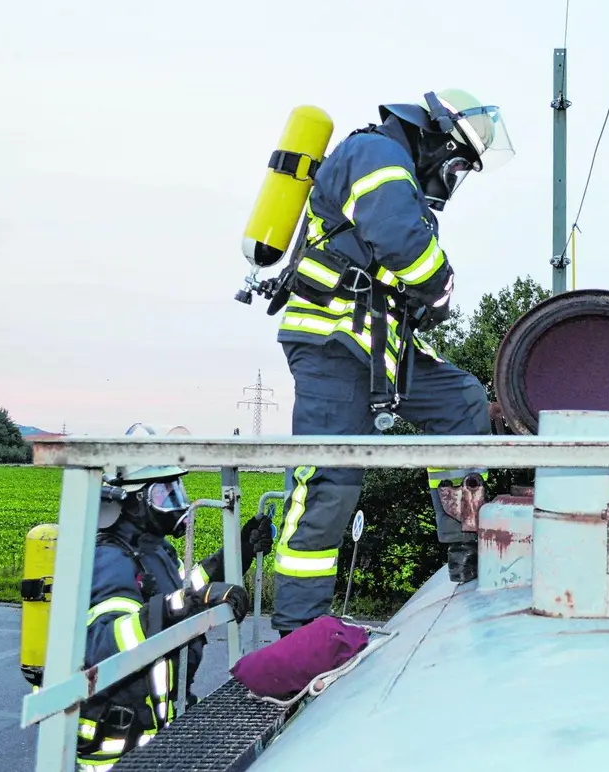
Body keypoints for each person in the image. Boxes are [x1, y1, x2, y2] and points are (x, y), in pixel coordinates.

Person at [271, 88, 515, 635]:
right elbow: (402, 243)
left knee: (460, 401)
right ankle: (298, 626)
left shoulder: (396, 171)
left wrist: (422, 301)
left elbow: (393, 261)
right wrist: (441, 286)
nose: (453, 178)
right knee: (331, 481)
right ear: (438, 141)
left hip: (380, 346)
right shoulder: (376, 153)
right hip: (333, 342)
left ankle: (464, 544)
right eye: (457, 165)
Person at [76, 465, 269, 770]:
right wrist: (181, 606)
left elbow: (184, 590)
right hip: (118, 749)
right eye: (163, 494)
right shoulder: (110, 559)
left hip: (158, 729)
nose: (177, 503)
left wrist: (239, 552)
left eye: (176, 490)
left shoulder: (154, 550)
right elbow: (101, 646)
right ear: (132, 503)